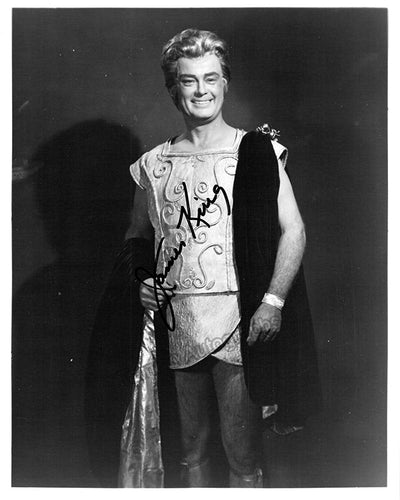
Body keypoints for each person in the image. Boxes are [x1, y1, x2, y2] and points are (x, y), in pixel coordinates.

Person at [86, 27, 321, 488]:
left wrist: (273, 301)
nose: (201, 90)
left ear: (225, 84)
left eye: (211, 78)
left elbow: (294, 230)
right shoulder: (153, 164)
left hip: (240, 319)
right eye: (189, 80)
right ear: (173, 88)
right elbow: (136, 238)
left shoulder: (256, 152)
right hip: (176, 324)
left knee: (242, 454)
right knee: (188, 452)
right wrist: (141, 279)